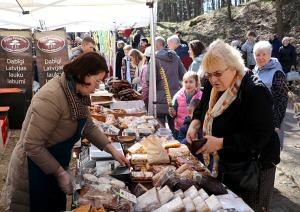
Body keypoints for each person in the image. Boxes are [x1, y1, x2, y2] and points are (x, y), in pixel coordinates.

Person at [1, 52, 130, 212]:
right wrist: (60, 173)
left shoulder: (77, 94)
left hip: (53, 163)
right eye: (96, 82)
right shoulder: (51, 97)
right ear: (83, 74)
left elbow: (88, 127)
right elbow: (32, 145)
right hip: (32, 170)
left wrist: (113, 150)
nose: (97, 87)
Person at [186, 39, 280, 211]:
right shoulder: (211, 84)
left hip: (253, 167)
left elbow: (260, 135)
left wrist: (221, 142)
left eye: (218, 74)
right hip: (225, 162)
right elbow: (203, 105)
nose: (213, 79)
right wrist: (195, 123)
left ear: (233, 66)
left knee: (250, 207)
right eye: (208, 75)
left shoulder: (254, 90)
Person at [252, 41, 288, 150]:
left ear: (270, 54)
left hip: (271, 120)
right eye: (258, 55)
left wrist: (276, 123)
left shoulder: (277, 73)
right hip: (257, 118)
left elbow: (282, 99)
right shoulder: (255, 70)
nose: (261, 58)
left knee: (270, 152)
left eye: (264, 54)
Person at [146, 36, 186, 133]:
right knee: (175, 127)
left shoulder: (154, 59)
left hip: (159, 99)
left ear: (156, 45)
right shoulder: (176, 57)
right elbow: (184, 75)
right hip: (175, 97)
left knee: (160, 130)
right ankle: (177, 146)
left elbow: (149, 80)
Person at [169, 72, 202, 139]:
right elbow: (174, 113)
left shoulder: (201, 96)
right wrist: (172, 112)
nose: (188, 84)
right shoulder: (178, 96)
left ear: (196, 83)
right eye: (186, 82)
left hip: (195, 130)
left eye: (191, 82)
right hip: (179, 129)